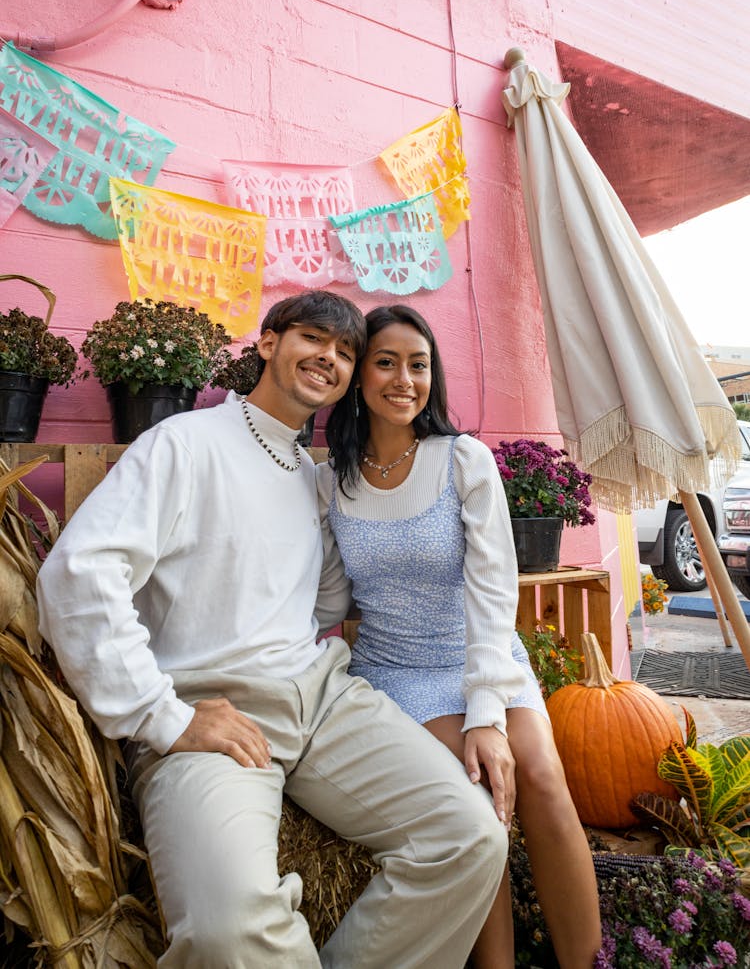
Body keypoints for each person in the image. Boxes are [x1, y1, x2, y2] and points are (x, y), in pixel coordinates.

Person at [36, 290, 508, 969]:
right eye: (314, 337)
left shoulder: (311, 478)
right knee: (226, 930)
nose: (331, 357)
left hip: (320, 698)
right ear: (266, 343)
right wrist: (163, 716)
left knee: (470, 836)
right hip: (211, 712)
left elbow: (320, 602)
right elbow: (77, 576)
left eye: (346, 351)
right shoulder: (184, 443)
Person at [316, 304, 602, 969]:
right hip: (396, 670)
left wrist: (486, 710)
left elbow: (494, 589)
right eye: (386, 362)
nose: (404, 379)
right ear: (359, 376)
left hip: (479, 651)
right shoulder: (333, 479)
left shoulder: (462, 460)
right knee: (480, 792)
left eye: (418, 365)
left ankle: (592, 961)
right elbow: (329, 595)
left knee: (538, 772)